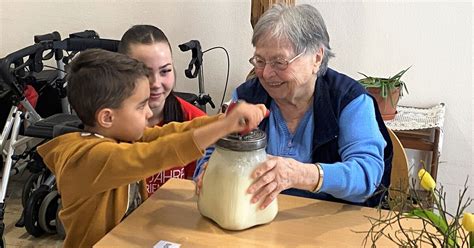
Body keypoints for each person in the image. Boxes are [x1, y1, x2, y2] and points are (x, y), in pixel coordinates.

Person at [36, 49, 267, 247]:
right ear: (107, 117)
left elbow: (170, 133)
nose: (149, 113)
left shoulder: (119, 137)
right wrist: (225, 125)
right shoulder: (90, 157)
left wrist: (222, 121)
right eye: (141, 106)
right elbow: (156, 153)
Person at [197, 3, 393, 208]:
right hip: (257, 219)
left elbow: (367, 176)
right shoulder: (247, 96)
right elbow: (214, 150)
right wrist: (208, 170)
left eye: (279, 62)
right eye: (260, 61)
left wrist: (300, 175)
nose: (265, 73)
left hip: (332, 225)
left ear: (316, 58)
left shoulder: (348, 100)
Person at [118, 25, 212, 195]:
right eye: (144, 73)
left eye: (165, 71)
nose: (155, 83)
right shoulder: (108, 124)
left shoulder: (195, 122)